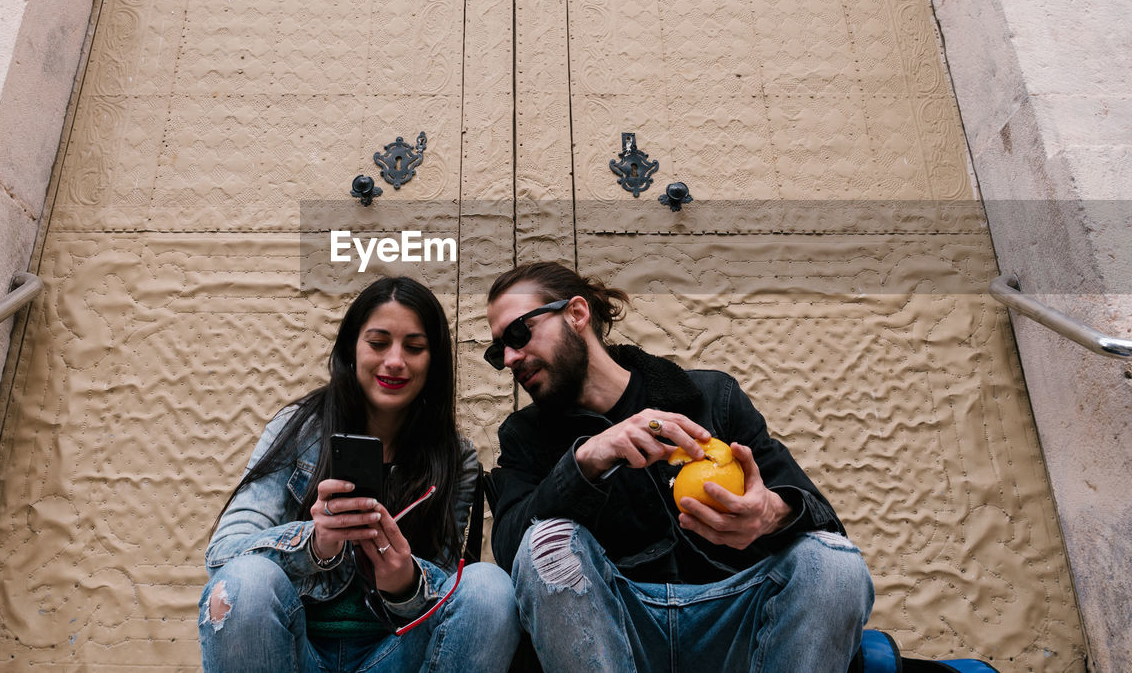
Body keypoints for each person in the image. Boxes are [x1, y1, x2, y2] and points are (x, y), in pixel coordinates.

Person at [483, 261, 874, 672]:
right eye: (498, 350)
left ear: (577, 314)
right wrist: (587, 460)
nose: (509, 358)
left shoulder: (709, 397)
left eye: (518, 333)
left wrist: (770, 514)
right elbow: (513, 553)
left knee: (835, 563)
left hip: (736, 624)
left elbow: (826, 524)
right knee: (545, 540)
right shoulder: (525, 435)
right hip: (617, 635)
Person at [200, 276, 518, 673]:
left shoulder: (455, 455)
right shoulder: (298, 430)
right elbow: (224, 555)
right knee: (245, 580)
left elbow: (446, 597)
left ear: (433, 361)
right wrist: (313, 545)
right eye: (378, 343)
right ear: (351, 350)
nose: (395, 361)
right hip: (295, 650)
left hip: (397, 652)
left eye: (415, 347)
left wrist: (405, 582)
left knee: (489, 586)